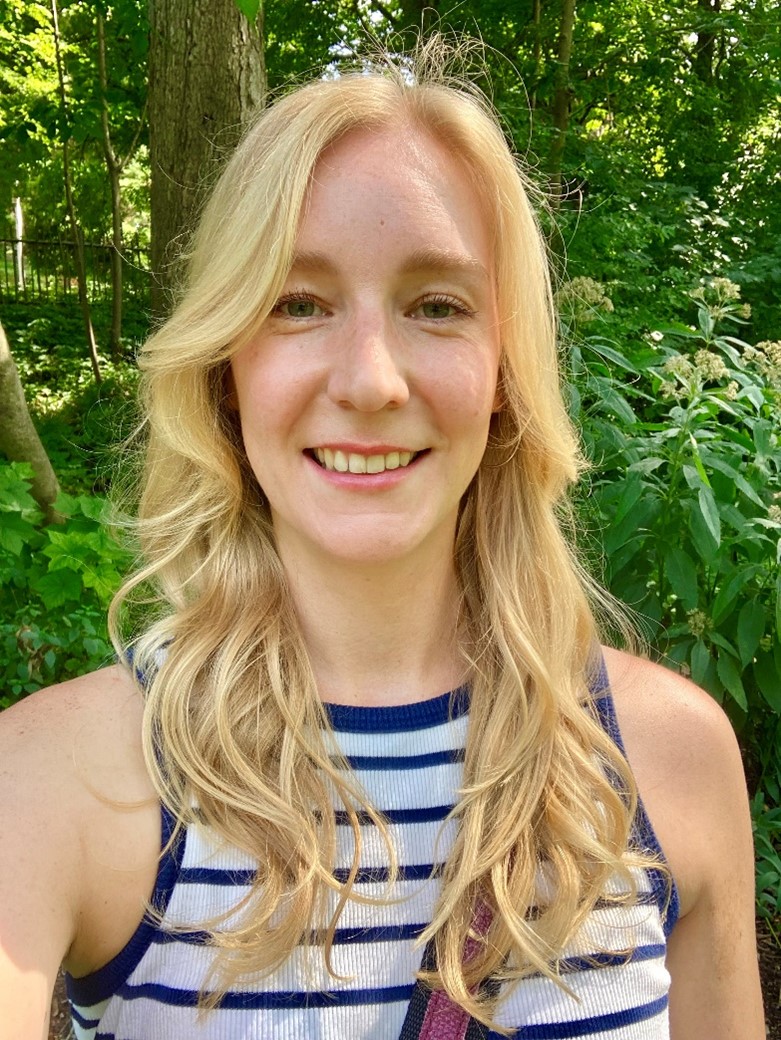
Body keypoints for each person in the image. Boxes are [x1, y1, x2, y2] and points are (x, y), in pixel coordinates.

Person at [0, 39, 764, 1040]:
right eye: (298, 303)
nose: (369, 380)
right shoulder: (63, 778)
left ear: (505, 372)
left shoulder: (672, 759)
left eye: (436, 305)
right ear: (227, 367)